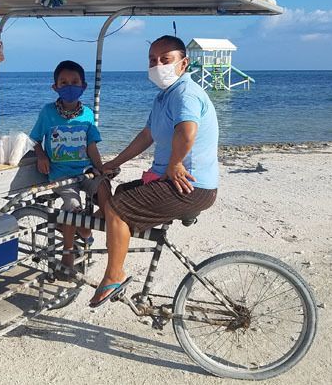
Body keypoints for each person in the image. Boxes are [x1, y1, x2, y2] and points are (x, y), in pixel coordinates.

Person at [89, 35, 219, 307]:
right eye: (152, 60)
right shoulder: (164, 97)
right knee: (123, 191)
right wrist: (116, 162)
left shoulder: (185, 93)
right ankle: (112, 228)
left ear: (183, 64)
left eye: (165, 59)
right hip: (177, 182)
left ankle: (114, 275)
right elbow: (147, 135)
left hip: (190, 185)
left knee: (118, 205)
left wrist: (174, 163)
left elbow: (188, 131)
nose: (157, 65)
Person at [30, 60, 110, 270]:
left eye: (74, 82)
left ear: (83, 86)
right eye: (63, 82)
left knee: (107, 195)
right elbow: (35, 140)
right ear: (55, 87)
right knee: (73, 208)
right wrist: (41, 156)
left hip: (86, 172)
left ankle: (84, 229)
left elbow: (91, 145)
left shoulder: (88, 114)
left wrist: (100, 168)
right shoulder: (48, 112)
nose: (69, 86)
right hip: (61, 175)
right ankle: (67, 252)